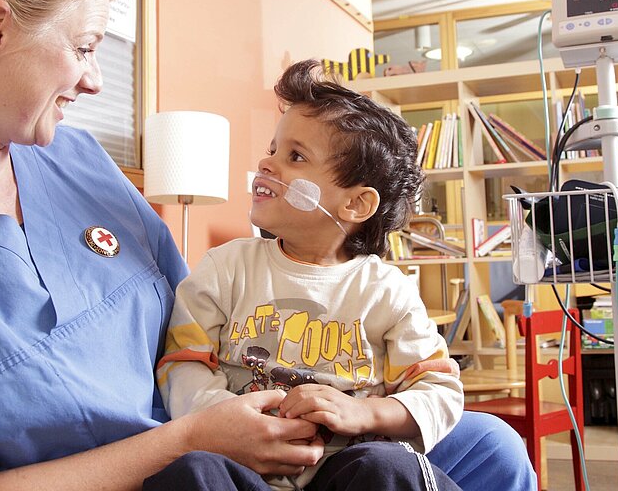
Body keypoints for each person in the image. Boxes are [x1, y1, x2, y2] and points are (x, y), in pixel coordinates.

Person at [0, 0, 535, 491]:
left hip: (222, 437)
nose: (94, 80)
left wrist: (335, 400)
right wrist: (190, 437)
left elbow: (206, 332)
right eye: (86, 46)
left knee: (492, 449)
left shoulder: (79, 162)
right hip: (163, 468)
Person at [154, 60, 464, 490]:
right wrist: (224, 419)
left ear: (355, 205)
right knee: (191, 473)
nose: (267, 162)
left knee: (391, 467)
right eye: (273, 148)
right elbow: (182, 363)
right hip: (243, 465)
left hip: (345, 471)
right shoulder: (225, 268)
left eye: (295, 156)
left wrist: (366, 413)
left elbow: (440, 391)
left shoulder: (385, 292)